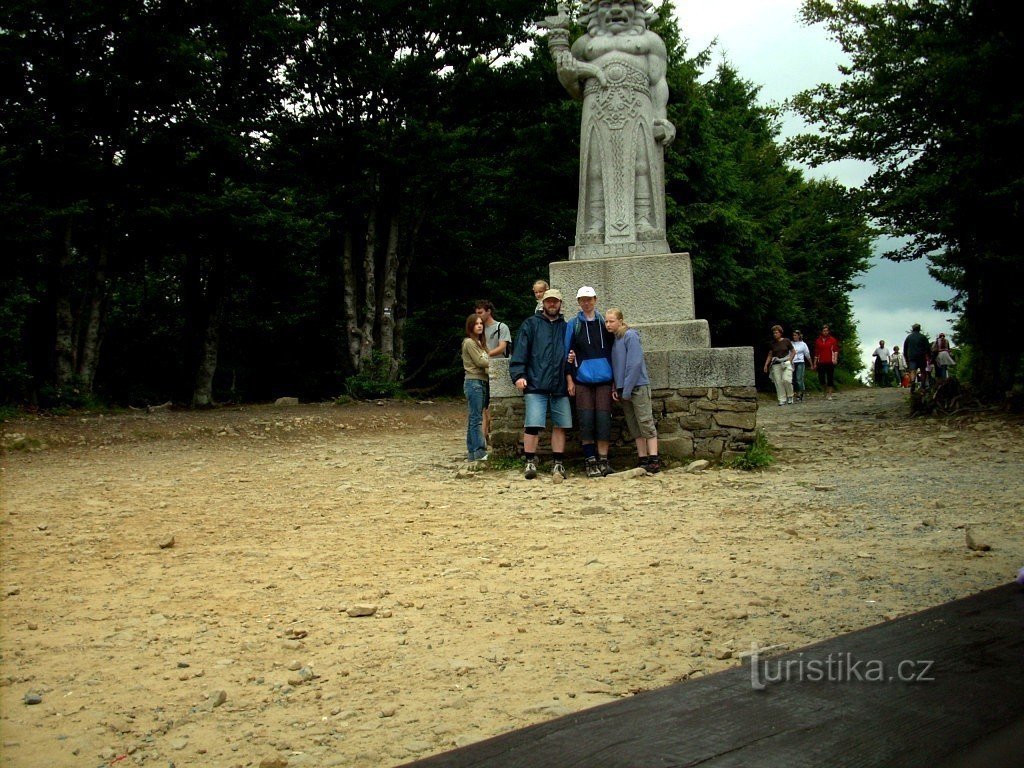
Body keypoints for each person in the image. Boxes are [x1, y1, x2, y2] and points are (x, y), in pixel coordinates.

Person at [541, 1, 676, 249]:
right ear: (595, 11)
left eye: (624, 3)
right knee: (595, 167)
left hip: (638, 107)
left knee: (642, 164)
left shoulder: (651, 41)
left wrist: (661, 117)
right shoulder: (582, 46)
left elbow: (658, 82)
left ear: (637, 8)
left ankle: (643, 221)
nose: (616, 10)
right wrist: (567, 76)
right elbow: (575, 89)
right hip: (596, 108)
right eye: (607, 4)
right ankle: (596, 224)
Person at [509, 289, 572, 480]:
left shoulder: (566, 327)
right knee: (532, 425)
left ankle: (558, 463)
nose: (552, 305)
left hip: (560, 384)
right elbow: (520, 351)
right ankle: (529, 461)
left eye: (555, 302)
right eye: (549, 302)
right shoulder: (530, 324)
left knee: (561, 425)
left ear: (560, 304)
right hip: (536, 383)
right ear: (543, 303)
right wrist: (519, 374)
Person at [566, 286, 616, 477]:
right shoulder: (573, 325)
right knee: (586, 421)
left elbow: (613, 352)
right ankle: (590, 461)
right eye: (582, 300)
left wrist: (615, 381)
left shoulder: (605, 324)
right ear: (578, 302)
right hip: (582, 380)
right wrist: (569, 378)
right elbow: (567, 353)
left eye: (589, 299)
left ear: (595, 299)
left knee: (603, 420)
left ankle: (603, 460)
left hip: (604, 379)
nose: (586, 303)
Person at [605, 308, 659, 472]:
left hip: (638, 386)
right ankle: (642, 459)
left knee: (645, 422)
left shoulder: (630, 335)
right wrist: (617, 386)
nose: (608, 324)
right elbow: (617, 367)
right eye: (606, 321)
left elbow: (634, 364)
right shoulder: (615, 340)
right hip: (623, 388)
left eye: (611, 321)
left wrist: (627, 389)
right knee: (634, 425)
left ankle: (654, 459)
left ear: (620, 321)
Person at [474, 300, 512, 439]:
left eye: (480, 312)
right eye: (476, 313)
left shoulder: (501, 327)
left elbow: (502, 347)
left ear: (489, 311)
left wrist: (485, 354)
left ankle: (486, 435)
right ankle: (483, 436)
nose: (478, 315)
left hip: (497, 369)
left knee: (490, 406)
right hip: (482, 370)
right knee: (483, 407)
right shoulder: (479, 328)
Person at [461, 314, 490, 462]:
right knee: (476, 418)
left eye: (481, 324)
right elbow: (481, 361)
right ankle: (479, 450)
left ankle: (472, 452)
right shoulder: (469, 342)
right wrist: (490, 361)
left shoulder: (480, 343)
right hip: (474, 382)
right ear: (470, 326)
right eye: (476, 324)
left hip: (481, 382)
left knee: (474, 416)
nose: (479, 326)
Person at [763, 325, 796, 406]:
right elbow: (770, 355)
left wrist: (790, 360)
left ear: (780, 333)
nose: (775, 334)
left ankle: (790, 395)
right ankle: (782, 399)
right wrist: (766, 365)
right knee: (778, 382)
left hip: (786, 362)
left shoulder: (786, 341)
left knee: (786, 379)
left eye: (776, 333)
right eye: (774, 333)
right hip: (776, 364)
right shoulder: (772, 343)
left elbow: (793, 351)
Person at [812, 324, 840, 400]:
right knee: (821, 378)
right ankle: (825, 391)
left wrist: (835, 359)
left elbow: (835, 350)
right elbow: (816, 352)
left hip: (830, 361)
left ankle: (830, 394)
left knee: (830, 377)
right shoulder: (818, 341)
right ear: (822, 331)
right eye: (824, 331)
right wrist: (815, 363)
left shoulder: (832, 340)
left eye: (827, 331)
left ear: (828, 331)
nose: (825, 332)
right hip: (821, 361)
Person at [903, 323, 931, 391]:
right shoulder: (923, 337)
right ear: (919, 329)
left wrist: (906, 358)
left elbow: (905, 349)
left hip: (912, 356)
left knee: (913, 370)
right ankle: (923, 385)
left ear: (913, 329)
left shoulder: (908, 337)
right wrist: (929, 356)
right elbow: (927, 348)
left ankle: (913, 382)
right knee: (922, 371)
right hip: (921, 356)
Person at [790, 330, 811, 402]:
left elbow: (807, 354)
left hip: (800, 362)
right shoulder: (791, 343)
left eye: (795, 335)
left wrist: (811, 363)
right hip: (792, 362)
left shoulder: (803, 344)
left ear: (799, 336)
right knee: (792, 379)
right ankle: (793, 393)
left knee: (799, 378)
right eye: (793, 335)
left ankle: (800, 393)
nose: (794, 337)